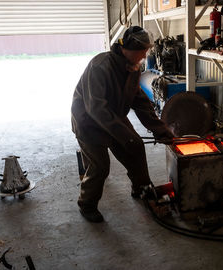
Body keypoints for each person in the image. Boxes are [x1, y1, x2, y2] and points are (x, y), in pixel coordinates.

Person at [71, 26, 173, 223]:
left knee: (135, 145)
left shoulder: (132, 67)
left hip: (114, 115)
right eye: (142, 51)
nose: (144, 55)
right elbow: (97, 109)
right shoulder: (100, 66)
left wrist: (160, 129)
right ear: (127, 49)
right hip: (88, 121)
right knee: (100, 167)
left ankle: (141, 188)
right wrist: (123, 135)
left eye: (146, 50)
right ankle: (87, 204)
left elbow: (139, 100)